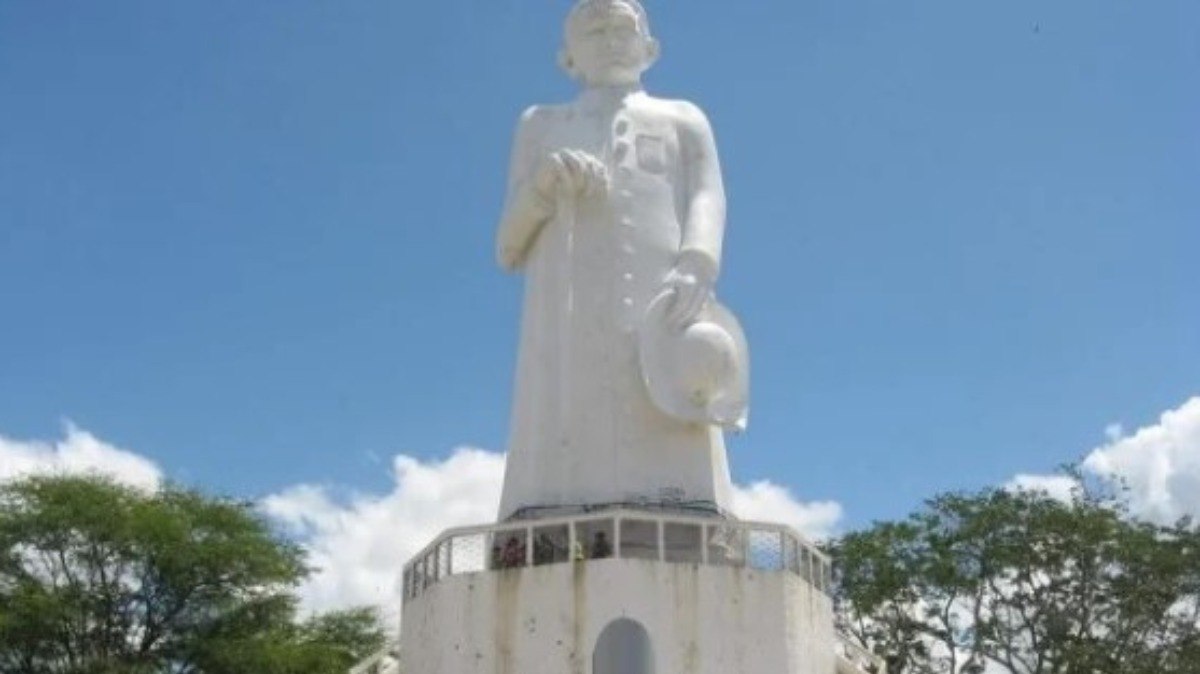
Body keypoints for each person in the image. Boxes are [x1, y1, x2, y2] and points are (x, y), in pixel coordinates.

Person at [495, 0, 738, 522]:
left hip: (664, 296)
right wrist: (541, 188)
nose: (608, 39)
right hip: (565, 311)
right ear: (567, 58)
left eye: (621, 28)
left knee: (675, 393)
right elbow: (507, 246)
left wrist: (698, 259)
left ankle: (690, 518)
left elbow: (708, 194)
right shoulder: (540, 124)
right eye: (592, 30)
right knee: (563, 415)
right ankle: (546, 524)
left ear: (650, 48)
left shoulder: (683, 116)